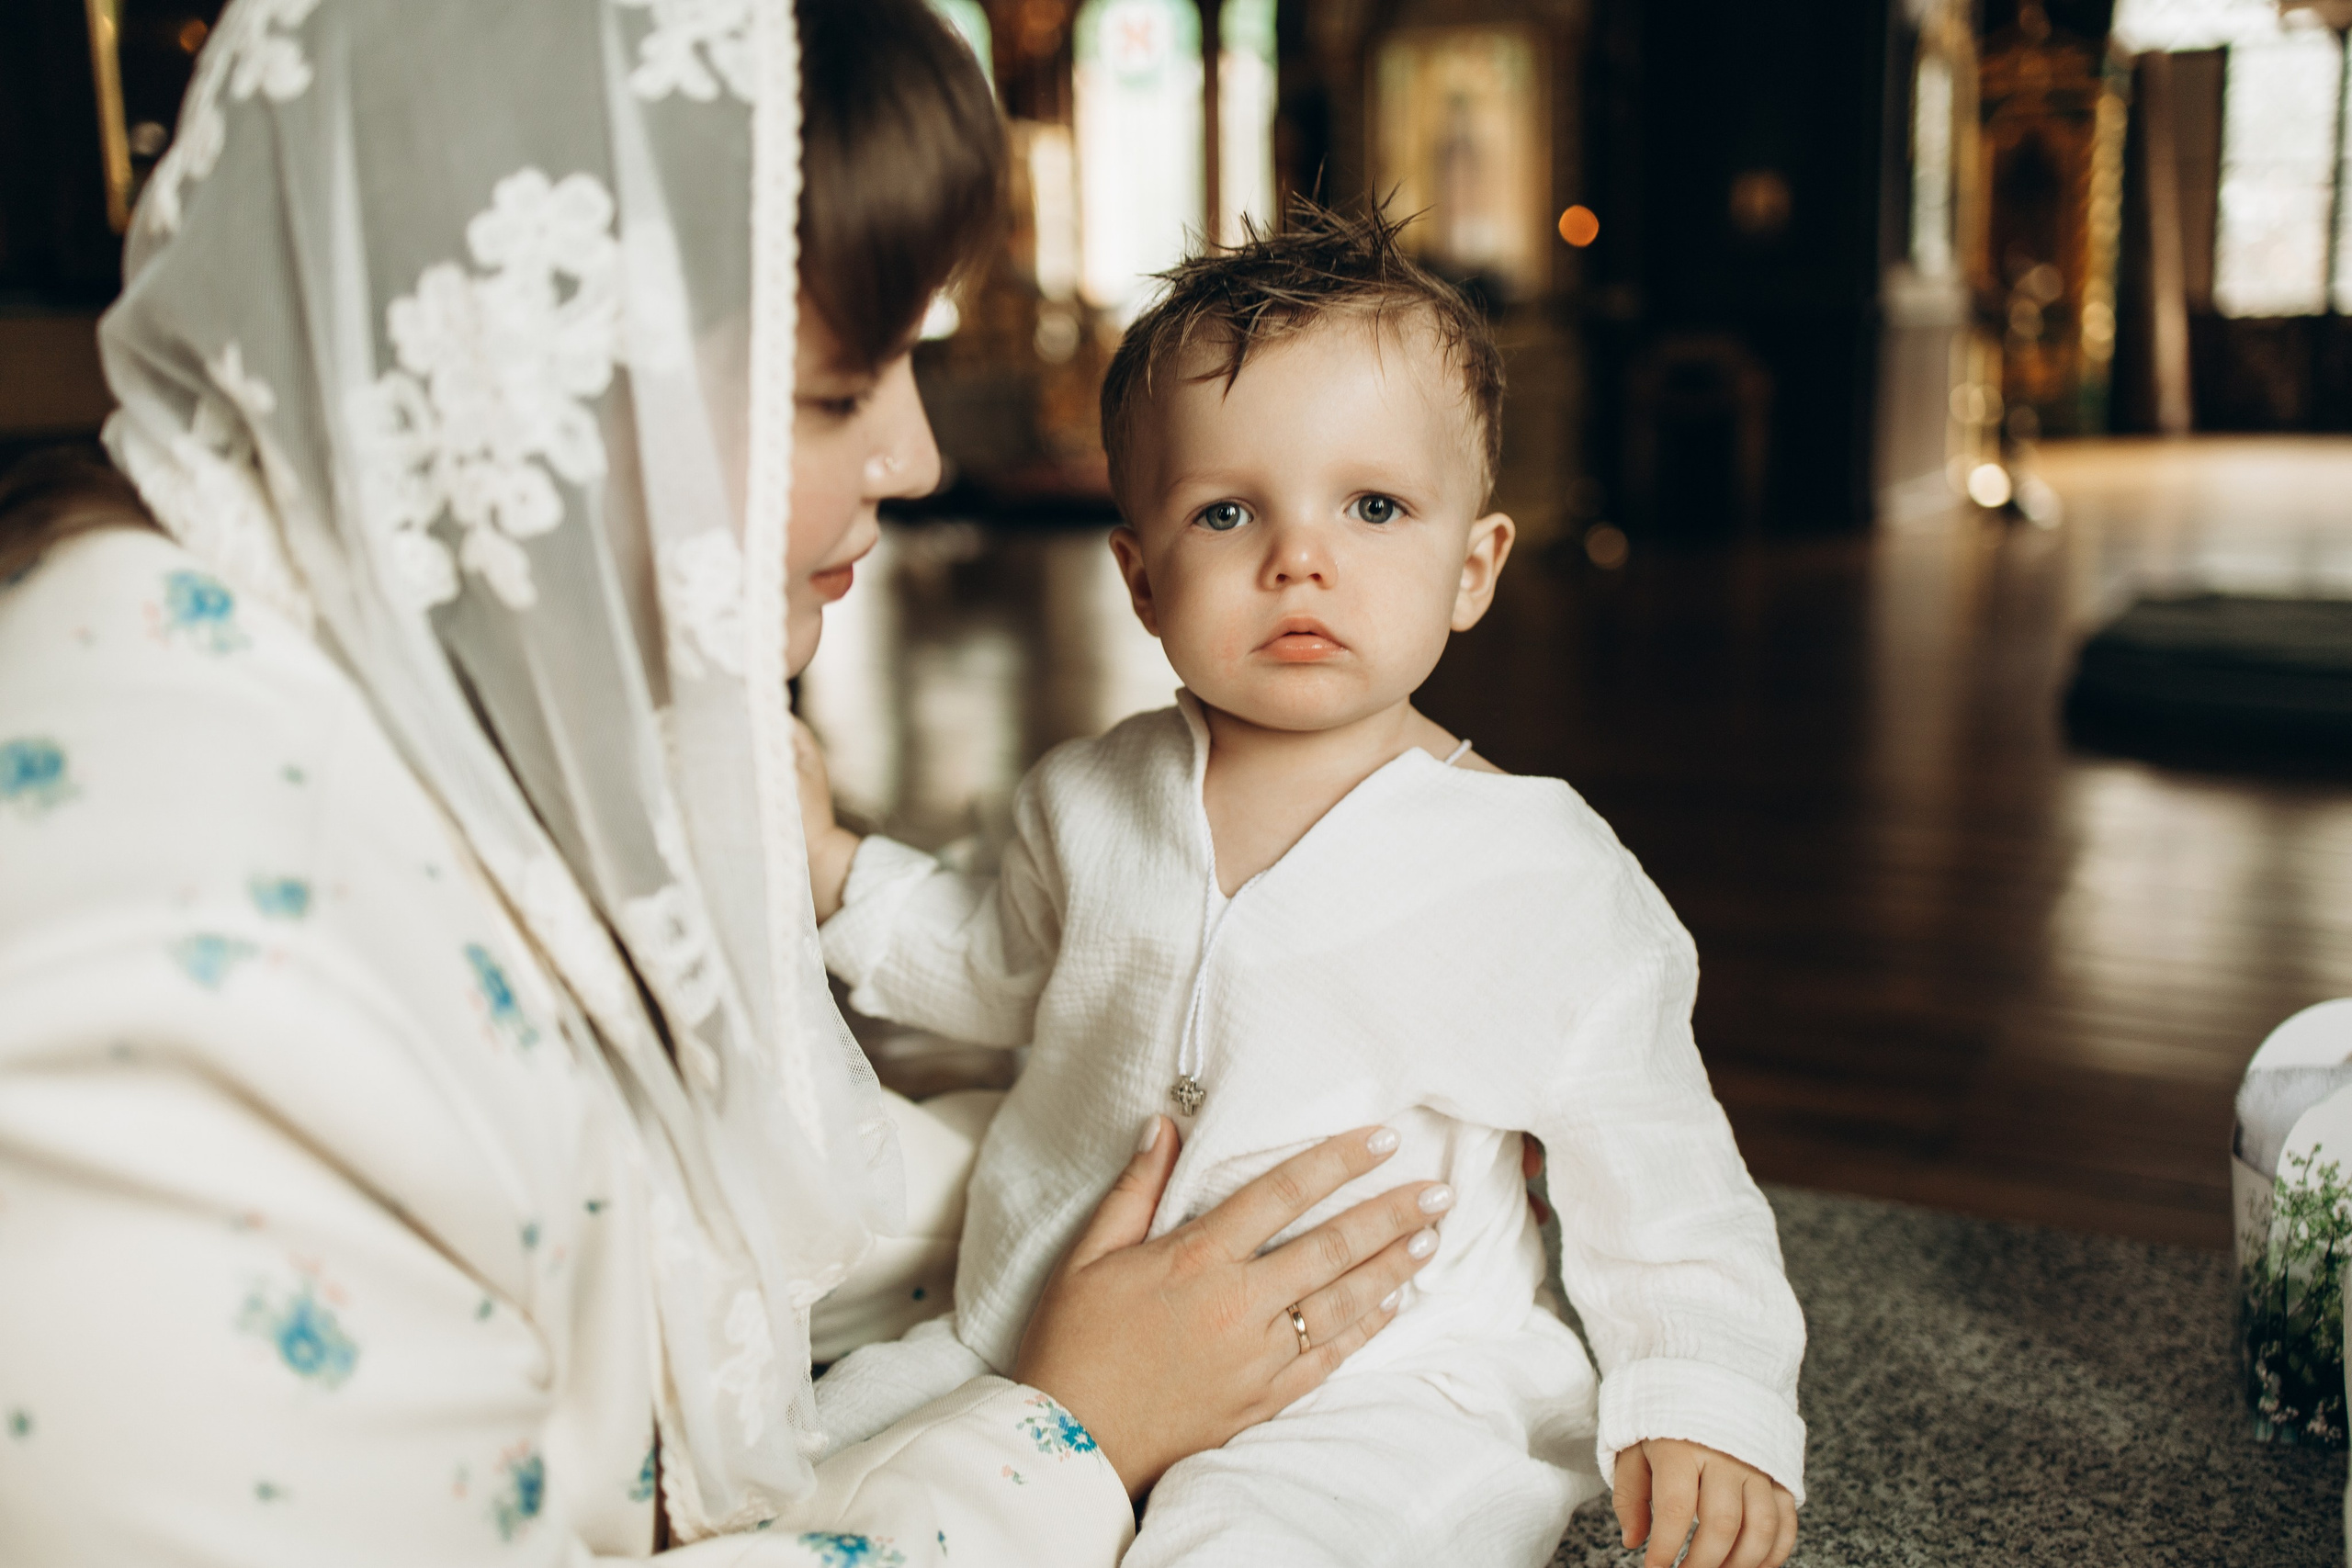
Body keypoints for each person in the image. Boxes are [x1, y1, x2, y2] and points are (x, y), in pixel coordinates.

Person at [0, 5, 1449, 1562]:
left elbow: (721, 1181)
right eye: (840, 391)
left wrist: (1207, 1154)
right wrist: (1073, 1428)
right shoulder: (158, 999)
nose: (913, 459)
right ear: (534, 378)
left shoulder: (500, 682)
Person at [795, 206, 1807, 1568]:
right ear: (1143, 579)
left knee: (1242, 1546)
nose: (1300, 557)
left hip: (1378, 1390)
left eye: (1374, 506)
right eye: (1229, 510)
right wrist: (841, 874)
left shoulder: (1542, 876)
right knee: (798, 1465)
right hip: (1033, 1320)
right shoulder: (1086, 797)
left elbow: (1665, 1179)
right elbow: (993, 961)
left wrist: (1709, 1398)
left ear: (1474, 568)